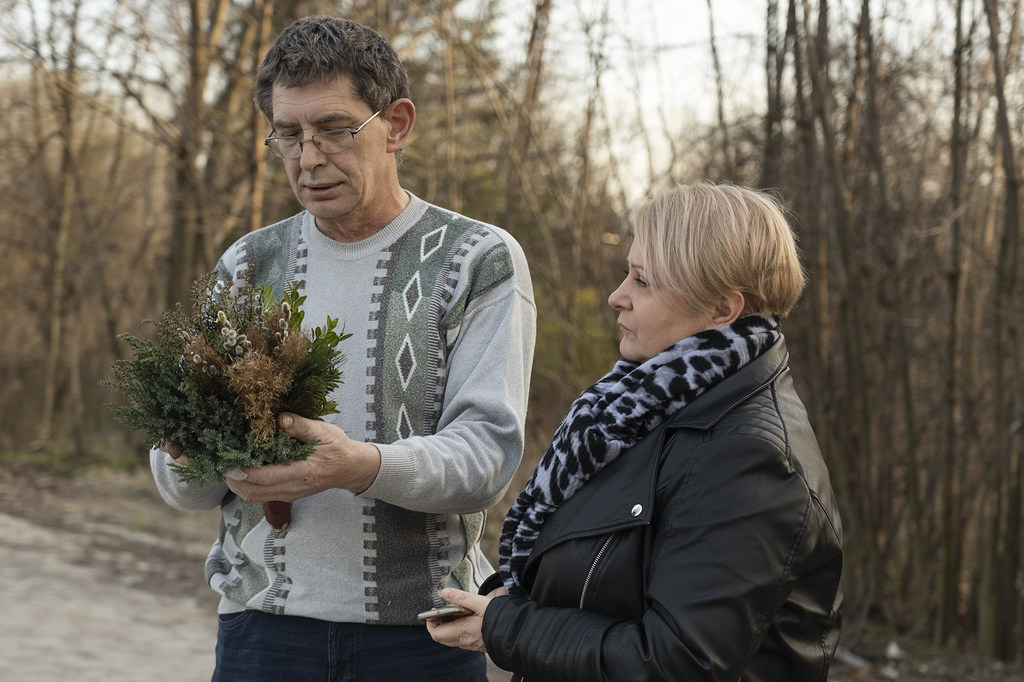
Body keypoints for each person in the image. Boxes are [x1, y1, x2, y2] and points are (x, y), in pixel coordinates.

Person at [150, 15, 536, 681]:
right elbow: (186, 493)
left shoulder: (476, 259)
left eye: (333, 129)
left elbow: (486, 458)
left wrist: (357, 466)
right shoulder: (246, 266)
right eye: (289, 135)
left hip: (422, 641)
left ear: (398, 124)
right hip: (260, 636)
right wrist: (191, 455)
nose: (308, 157)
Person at [428, 181, 843, 681]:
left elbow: (675, 663)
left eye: (643, 281)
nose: (615, 296)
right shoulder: (639, 407)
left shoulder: (750, 457)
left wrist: (505, 627)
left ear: (721, 310)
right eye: (628, 272)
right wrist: (508, 600)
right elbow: (611, 576)